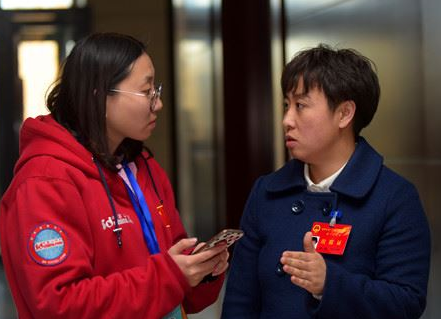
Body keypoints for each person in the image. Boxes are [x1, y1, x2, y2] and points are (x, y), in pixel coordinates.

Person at [0, 32, 229, 319]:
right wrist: (170, 276)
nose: (157, 104)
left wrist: (201, 272)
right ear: (100, 97)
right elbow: (59, 306)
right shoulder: (45, 182)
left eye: (155, 90)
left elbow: (178, 286)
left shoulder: (143, 167)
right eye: (146, 92)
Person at [221, 44, 431, 318]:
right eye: (287, 105)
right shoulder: (267, 192)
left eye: (301, 106)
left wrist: (330, 284)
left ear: (344, 113)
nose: (287, 120)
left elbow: (406, 303)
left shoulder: (394, 197)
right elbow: (240, 300)